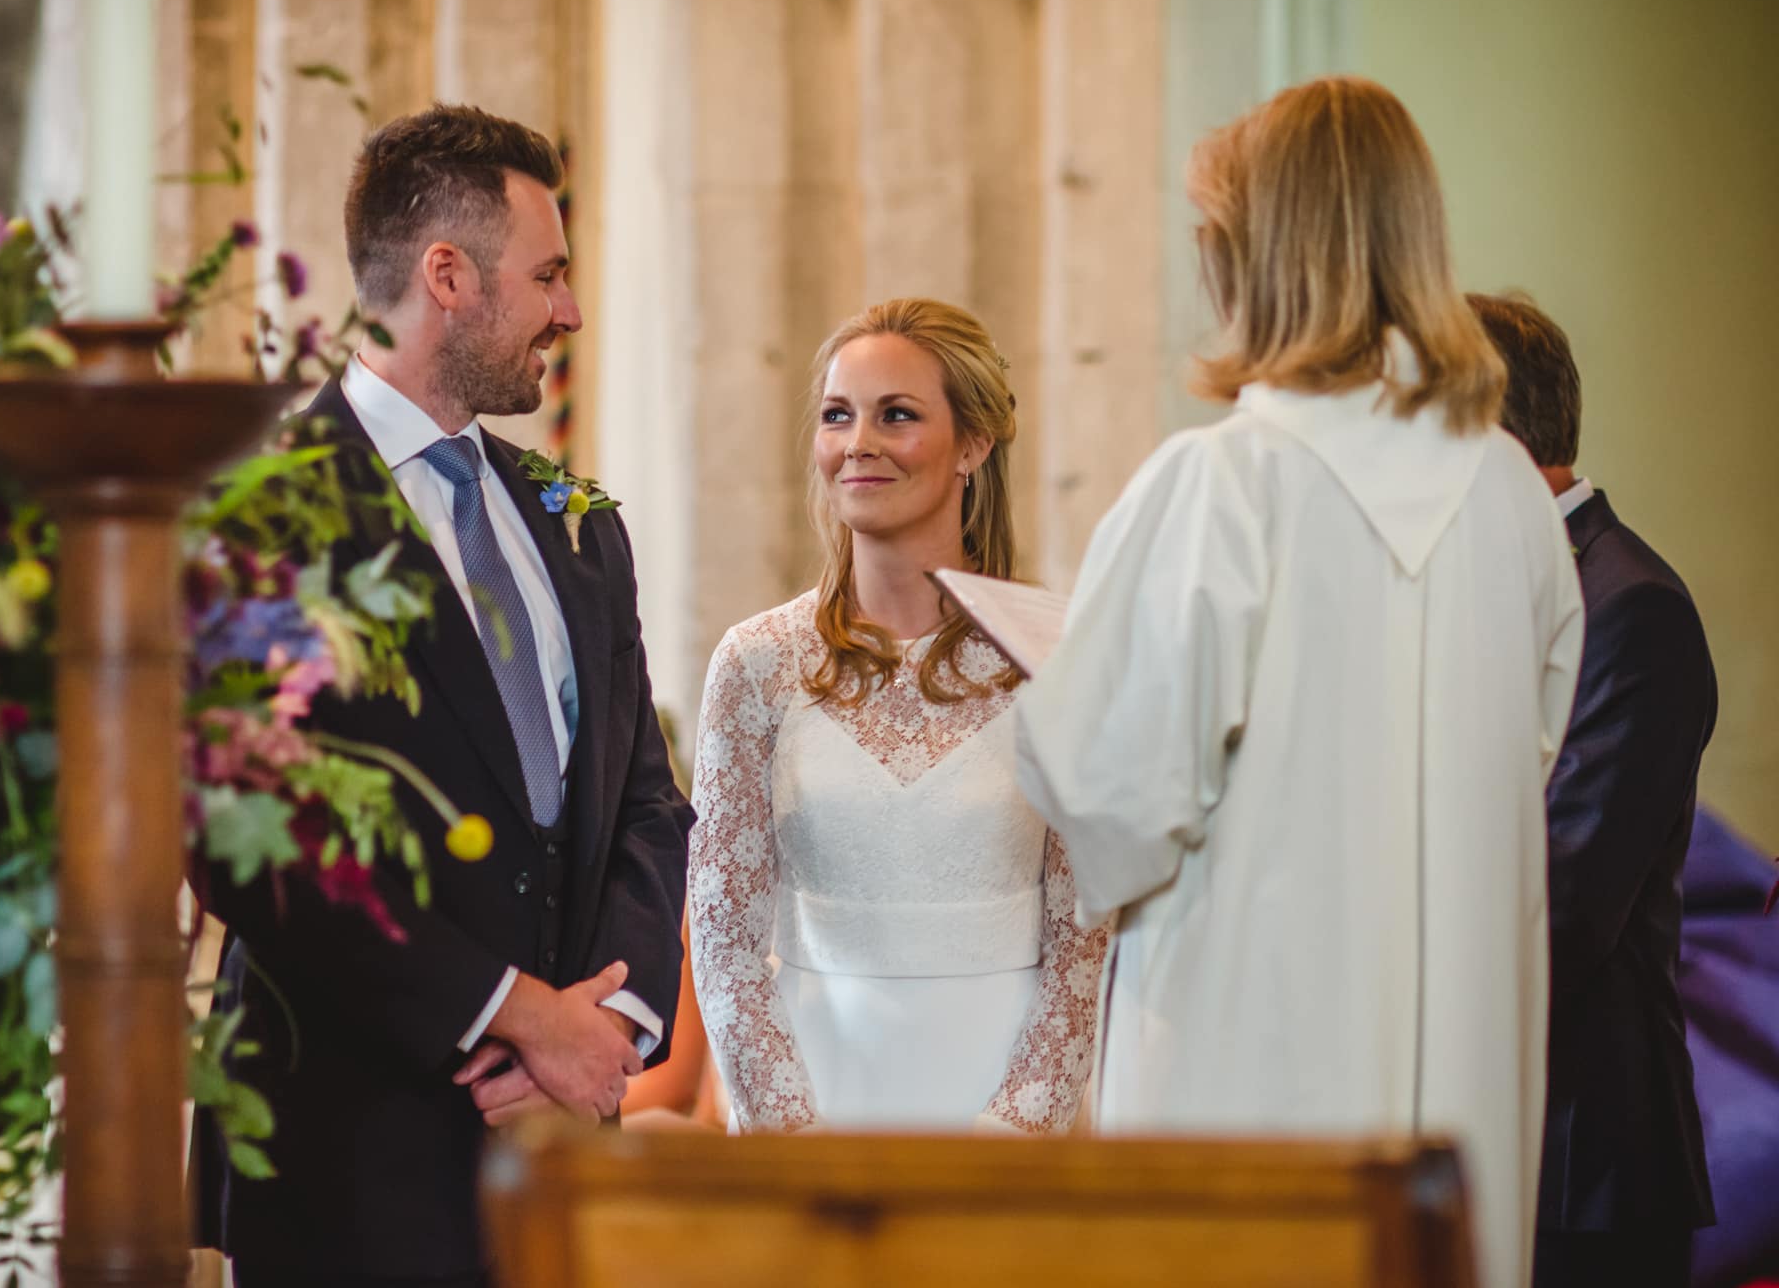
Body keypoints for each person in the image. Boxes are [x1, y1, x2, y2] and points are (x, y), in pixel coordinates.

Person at [1013, 77, 1583, 1288]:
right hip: (1457, 1121)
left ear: (1250, 255)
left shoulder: (1220, 487)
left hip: (1242, 1080)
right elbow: (1530, 753)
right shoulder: (1509, 504)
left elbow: (1106, 792)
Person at [202, 104, 693, 1288]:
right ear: (448, 276)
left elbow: (643, 805)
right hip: (345, 1149)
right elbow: (244, 834)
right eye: (549, 274)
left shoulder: (576, 529)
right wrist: (507, 1012)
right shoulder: (263, 509)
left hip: (557, 1147)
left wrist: (604, 1035)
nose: (568, 311)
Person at [689, 298, 1109, 1134]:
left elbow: (1085, 937)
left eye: (899, 415)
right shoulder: (756, 662)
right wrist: (793, 1137)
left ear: (975, 444)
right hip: (811, 1100)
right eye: (838, 415)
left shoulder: (1060, 652)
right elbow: (723, 936)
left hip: (1007, 1109)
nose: (859, 444)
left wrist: (1010, 1136)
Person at [1468, 292, 1718, 1288]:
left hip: (1580, 1164)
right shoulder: (1502, 588)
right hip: (1499, 1137)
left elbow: (1560, 907)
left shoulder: (1630, 609)